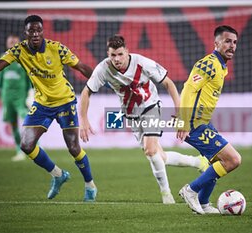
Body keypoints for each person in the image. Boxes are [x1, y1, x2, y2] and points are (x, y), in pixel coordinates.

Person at [0, 15, 97, 202]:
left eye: (38, 30)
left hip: (65, 101)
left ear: (42, 31)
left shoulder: (57, 48)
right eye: (31, 31)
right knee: (26, 145)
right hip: (42, 104)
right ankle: (58, 174)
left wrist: (100, 79)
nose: (35, 34)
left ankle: (90, 186)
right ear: (25, 33)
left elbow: (82, 67)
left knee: (74, 147)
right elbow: (1, 63)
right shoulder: (19, 50)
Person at [79, 35, 209, 204]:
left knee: (150, 150)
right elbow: (86, 92)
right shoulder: (103, 69)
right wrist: (83, 120)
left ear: (127, 52)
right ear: (108, 54)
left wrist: (181, 114)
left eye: (120, 54)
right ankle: (198, 162)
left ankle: (166, 195)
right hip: (131, 115)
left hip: (151, 107)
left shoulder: (142, 63)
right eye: (112, 55)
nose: (116, 59)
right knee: (157, 156)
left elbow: (169, 83)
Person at [177, 25, 242, 214]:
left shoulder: (222, 67)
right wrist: (183, 120)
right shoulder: (208, 63)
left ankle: (204, 202)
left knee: (217, 162)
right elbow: (189, 88)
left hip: (203, 122)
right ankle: (191, 190)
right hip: (193, 123)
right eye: (227, 41)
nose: (232, 46)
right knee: (233, 159)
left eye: (235, 42)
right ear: (216, 43)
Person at [0, 34, 34, 162]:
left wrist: (31, 93)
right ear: (7, 44)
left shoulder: (24, 58)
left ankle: (35, 147)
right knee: (13, 124)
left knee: (28, 120)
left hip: (21, 96)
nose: (12, 44)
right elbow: (0, 79)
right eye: (10, 42)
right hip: (7, 96)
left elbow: (30, 78)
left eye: (15, 42)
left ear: (19, 43)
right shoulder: (3, 58)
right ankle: (19, 151)